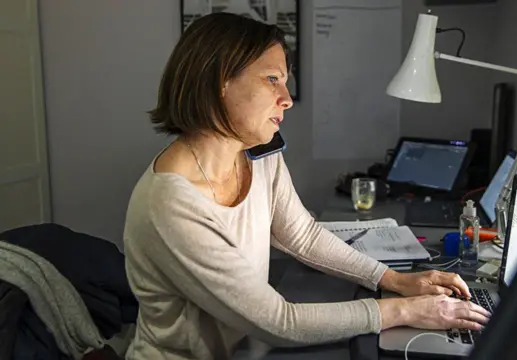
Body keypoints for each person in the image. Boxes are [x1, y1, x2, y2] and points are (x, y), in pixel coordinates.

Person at [122, 12, 490, 360]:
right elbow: (277, 321)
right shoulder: (170, 202)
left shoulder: (259, 152)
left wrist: (394, 279)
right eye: (272, 79)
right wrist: (404, 310)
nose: (286, 98)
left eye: (285, 81)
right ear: (220, 80)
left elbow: (302, 236)